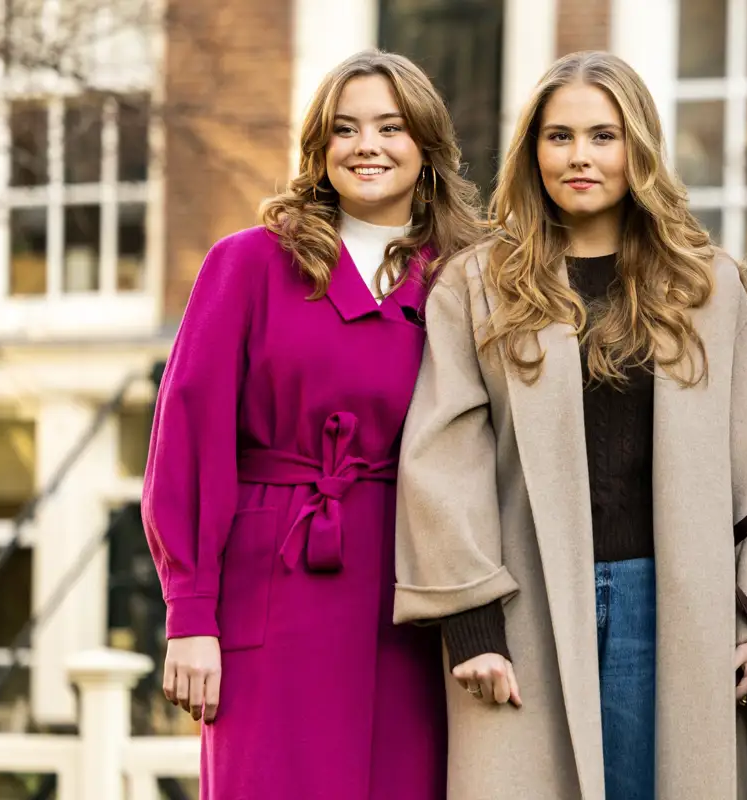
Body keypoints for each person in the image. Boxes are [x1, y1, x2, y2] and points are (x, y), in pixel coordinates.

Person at [392, 50, 747, 800]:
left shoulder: (706, 286)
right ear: (532, 152)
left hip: (674, 603)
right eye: (559, 137)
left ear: (637, 149)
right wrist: (472, 626)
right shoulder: (478, 287)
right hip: (530, 605)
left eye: (602, 136)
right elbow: (444, 460)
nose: (579, 157)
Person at [140, 50, 483, 798]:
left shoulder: (469, 276)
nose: (368, 146)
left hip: (415, 601)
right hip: (272, 590)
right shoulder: (248, 265)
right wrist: (190, 614)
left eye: (391, 127)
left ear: (424, 147)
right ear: (319, 150)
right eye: (346, 129)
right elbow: (188, 441)